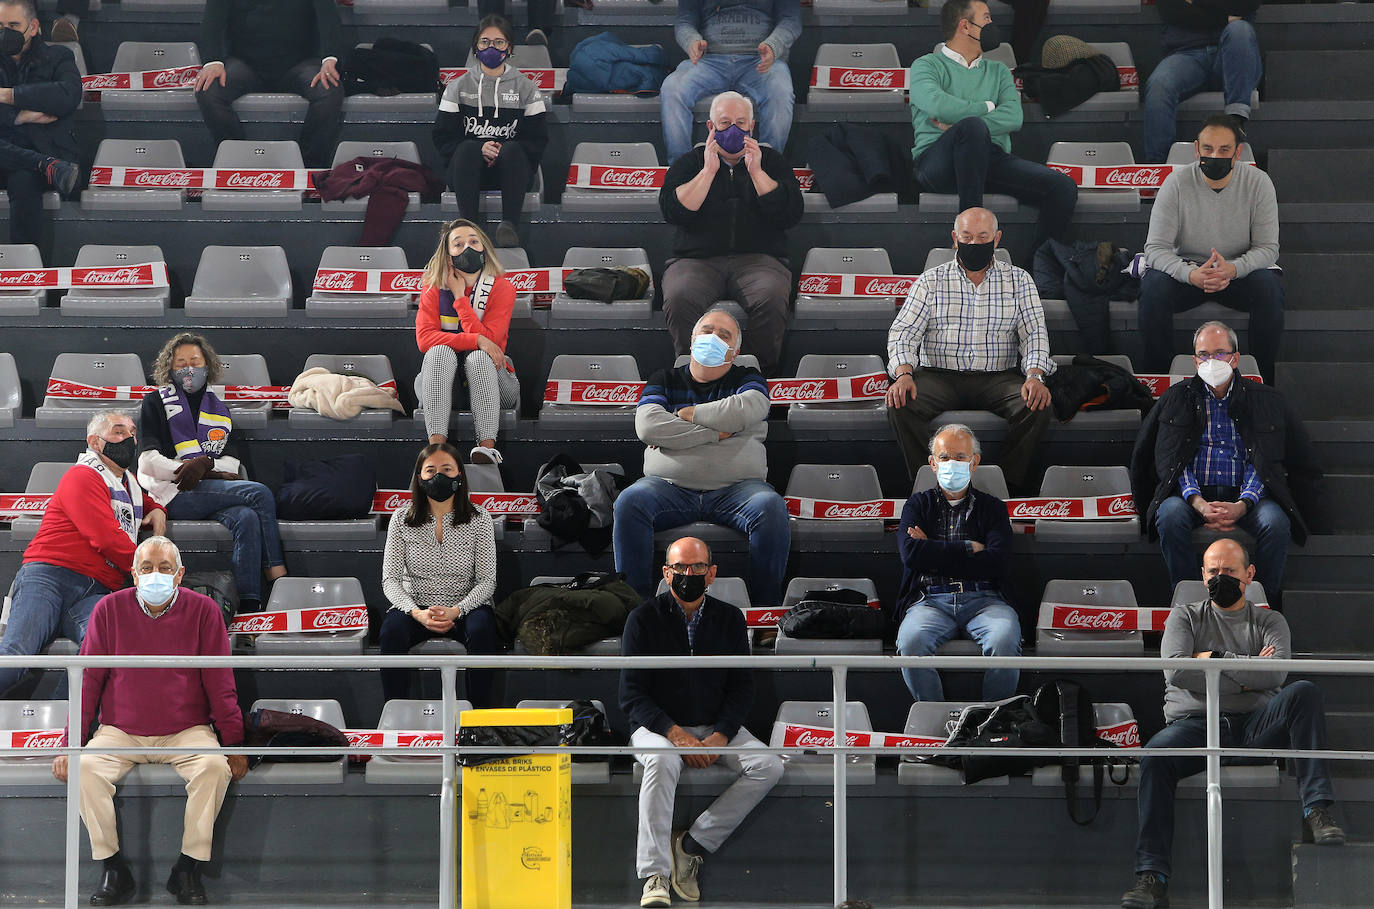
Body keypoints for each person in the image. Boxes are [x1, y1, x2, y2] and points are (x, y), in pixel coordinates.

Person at [1120, 538, 1343, 909]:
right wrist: (1250, 667)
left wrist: (1212, 658)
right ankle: (1152, 877)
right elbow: (1177, 669)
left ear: (1249, 575)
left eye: (1230, 571)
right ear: (1202, 575)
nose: (1220, 578)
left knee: (1303, 691)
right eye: (1213, 571)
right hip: (1193, 724)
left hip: (1256, 724)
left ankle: (1315, 810)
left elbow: (1277, 676)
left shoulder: (1271, 620)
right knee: (1154, 756)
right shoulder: (1184, 616)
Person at [52, 536, 248, 908]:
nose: (155, 575)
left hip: (187, 730)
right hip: (120, 731)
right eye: (146, 568)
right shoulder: (108, 610)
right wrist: (70, 744)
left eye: (164, 568)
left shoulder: (204, 610)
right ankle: (113, 868)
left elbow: (221, 684)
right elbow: (89, 681)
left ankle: (187, 867)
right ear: (133, 573)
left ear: (179, 575)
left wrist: (234, 745)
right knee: (85, 769)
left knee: (213, 768)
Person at [620, 536, 784, 908]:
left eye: (696, 567)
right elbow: (631, 695)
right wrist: (676, 735)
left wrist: (721, 734)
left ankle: (692, 844)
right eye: (680, 567)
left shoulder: (730, 618)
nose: (688, 574)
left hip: (715, 727)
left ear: (711, 574)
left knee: (769, 765)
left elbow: (742, 688)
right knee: (662, 760)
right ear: (666, 572)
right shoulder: (642, 619)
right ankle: (655, 873)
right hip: (658, 729)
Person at [1130, 320, 1320, 613]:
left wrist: (1243, 504)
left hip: (1250, 496)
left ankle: (1261, 607)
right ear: (1194, 360)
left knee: (1276, 522)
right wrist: (1198, 502)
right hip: (1191, 496)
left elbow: (1268, 461)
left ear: (1235, 357)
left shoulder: (1266, 400)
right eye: (1204, 354)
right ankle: (1188, 606)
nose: (1211, 361)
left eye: (1219, 353)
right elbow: (1169, 461)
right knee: (1168, 516)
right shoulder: (1174, 399)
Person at [612, 308, 790, 606]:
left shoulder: (749, 377)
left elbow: (749, 409)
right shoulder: (664, 379)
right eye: (706, 331)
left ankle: (764, 613)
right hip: (668, 488)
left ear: (734, 351)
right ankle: (635, 609)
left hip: (738, 490)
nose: (713, 338)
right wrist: (716, 433)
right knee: (629, 503)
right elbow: (648, 426)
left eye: (724, 335)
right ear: (692, 340)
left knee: (771, 507)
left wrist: (685, 416)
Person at [885, 207, 1054, 494]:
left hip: (998, 377)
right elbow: (903, 332)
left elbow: (1034, 333)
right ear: (955, 238)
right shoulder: (930, 280)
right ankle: (928, 485)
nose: (974, 244)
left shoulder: (1019, 280)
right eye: (967, 236)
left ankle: (1004, 487)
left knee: (1037, 404)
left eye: (982, 237)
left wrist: (1035, 375)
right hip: (940, 375)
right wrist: (903, 373)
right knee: (900, 402)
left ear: (997, 238)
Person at [0, 411, 165, 695]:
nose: (129, 438)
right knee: (17, 654)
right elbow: (106, 538)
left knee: (101, 652)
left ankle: (68, 729)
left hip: (96, 590)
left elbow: (146, 502)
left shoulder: (128, 484)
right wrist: (150, 570)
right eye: (118, 432)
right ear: (95, 442)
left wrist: (158, 510)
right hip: (50, 577)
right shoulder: (81, 476)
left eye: (133, 432)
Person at [137, 332, 287, 614]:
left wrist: (205, 465)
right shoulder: (155, 402)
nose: (188, 367)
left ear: (208, 365)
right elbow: (147, 461)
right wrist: (185, 469)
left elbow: (230, 463)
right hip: (171, 493)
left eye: (195, 360)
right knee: (260, 493)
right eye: (180, 362)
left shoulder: (219, 409)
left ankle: (249, 608)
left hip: (208, 491)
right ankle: (277, 575)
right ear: (169, 368)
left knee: (247, 517)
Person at [908, 0, 1077, 244]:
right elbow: (936, 105)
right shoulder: (926, 65)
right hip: (938, 161)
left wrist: (958, 122)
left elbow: (1013, 117)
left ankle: (1040, 271)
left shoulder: (998, 71)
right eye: (986, 18)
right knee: (972, 128)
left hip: (990, 159)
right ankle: (971, 245)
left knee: (1063, 188)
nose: (991, 24)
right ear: (965, 26)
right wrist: (986, 107)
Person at [659, 90, 803, 376]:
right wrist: (708, 171)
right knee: (679, 296)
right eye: (725, 123)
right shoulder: (690, 163)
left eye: (741, 123)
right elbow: (673, 211)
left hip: (760, 259)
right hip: (696, 261)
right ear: (711, 127)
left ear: (752, 127)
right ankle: (696, 376)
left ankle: (754, 377)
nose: (733, 129)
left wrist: (757, 171)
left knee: (772, 298)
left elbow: (790, 214)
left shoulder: (772, 161)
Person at [1139, 115, 1282, 381]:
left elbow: (1267, 248)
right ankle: (1156, 380)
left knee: (1269, 287)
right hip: (1189, 273)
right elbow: (1155, 248)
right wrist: (1189, 274)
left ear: (1237, 152)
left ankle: (1264, 380)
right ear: (1197, 150)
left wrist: (1233, 269)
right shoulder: (1176, 183)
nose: (1214, 155)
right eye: (1207, 149)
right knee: (1153, 287)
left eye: (1224, 149)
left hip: (1236, 272)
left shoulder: (1259, 182)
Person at [894, 424, 1019, 702]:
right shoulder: (916, 505)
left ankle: (992, 722)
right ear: (933, 464)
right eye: (945, 457)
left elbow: (996, 563)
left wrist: (933, 552)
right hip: (930, 601)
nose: (952, 464)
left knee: (1005, 640)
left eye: (960, 457)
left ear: (974, 462)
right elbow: (911, 555)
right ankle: (935, 721)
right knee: (911, 641)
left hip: (986, 601)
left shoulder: (994, 508)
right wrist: (967, 549)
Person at [379, 443, 503, 707]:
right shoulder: (400, 518)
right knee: (391, 632)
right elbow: (390, 579)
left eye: (447, 469)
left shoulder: (480, 518)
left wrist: (457, 610)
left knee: (483, 630)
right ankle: (397, 715)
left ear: (459, 476)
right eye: (430, 470)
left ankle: (478, 721)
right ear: (419, 477)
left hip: (466, 604)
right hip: (415, 604)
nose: (439, 477)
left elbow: (487, 580)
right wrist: (416, 612)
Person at [433, 14, 548, 249]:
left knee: (515, 150)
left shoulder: (527, 88)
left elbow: (537, 140)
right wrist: (479, 148)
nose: (491, 47)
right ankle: (470, 228)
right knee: (466, 149)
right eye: (485, 41)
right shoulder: (458, 87)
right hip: (467, 173)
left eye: (499, 42)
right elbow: (443, 138)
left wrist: (501, 150)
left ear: (509, 48)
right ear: (476, 46)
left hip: (511, 174)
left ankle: (509, 225)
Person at [414, 219, 520, 465]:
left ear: (484, 248)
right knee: (438, 352)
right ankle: (437, 451)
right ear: (449, 257)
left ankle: (487, 449)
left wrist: (460, 298)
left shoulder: (502, 288)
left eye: (474, 241)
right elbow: (424, 340)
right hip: (441, 384)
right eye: (458, 244)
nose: (467, 248)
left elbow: (492, 345)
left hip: (494, 383)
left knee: (479, 357)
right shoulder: (433, 288)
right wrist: (475, 338)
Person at [193, 0, 344, 168]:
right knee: (209, 90)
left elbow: (328, 17)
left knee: (329, 90)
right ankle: (235, 159)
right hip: (245, 64)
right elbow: (212, 20)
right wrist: (213, 61)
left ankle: (309, 166)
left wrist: (330, 58)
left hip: (299, 63)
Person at [660, 0, 800, 162]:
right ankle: (680, 167)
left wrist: (774, 45)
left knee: (780, 89)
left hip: (759, 60)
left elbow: (791, 19)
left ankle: (769, 166)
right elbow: (685, 20)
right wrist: (691, 40)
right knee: (673, 87)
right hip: (709, 60)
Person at [0, 0, 81, 251]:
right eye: (0, 26)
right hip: (30, 159)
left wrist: (7, 96)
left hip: (41, 151)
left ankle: (24, 277)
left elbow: (67, 95)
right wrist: (20, 116)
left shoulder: (59, 56)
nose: (6, 33)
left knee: (23, 180)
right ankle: (43, 165)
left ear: (33, 27)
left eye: (14, 25)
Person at [1142, 0, 1259, 164]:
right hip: (1186, 54)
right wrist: (1225, 16)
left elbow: (1246, 5)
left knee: (1239, 30)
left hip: (1232, 55)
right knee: (1159, 86)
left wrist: (1195, 4)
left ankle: (1235, 125)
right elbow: (1172, 11)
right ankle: (1158, 171)